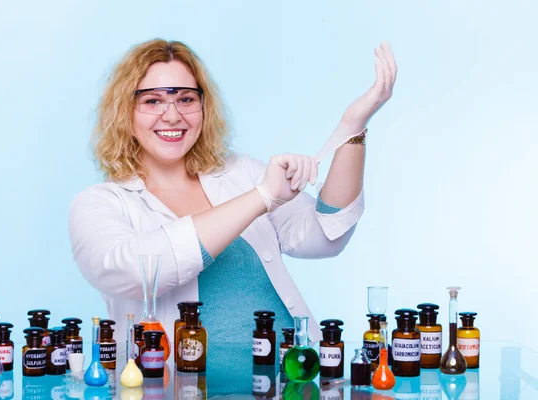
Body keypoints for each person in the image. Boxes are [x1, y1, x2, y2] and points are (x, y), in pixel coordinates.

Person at [68, 39, 397, 363]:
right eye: (153, 101)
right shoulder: (99, 204)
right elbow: (134, 272)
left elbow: (327, 235)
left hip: (291, 382)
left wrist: (352, 126)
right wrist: (263, 197)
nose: (172, 116)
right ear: (124, 111)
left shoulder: (241, 173)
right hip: (177, 387)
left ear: (204, 107)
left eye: (185, 98)